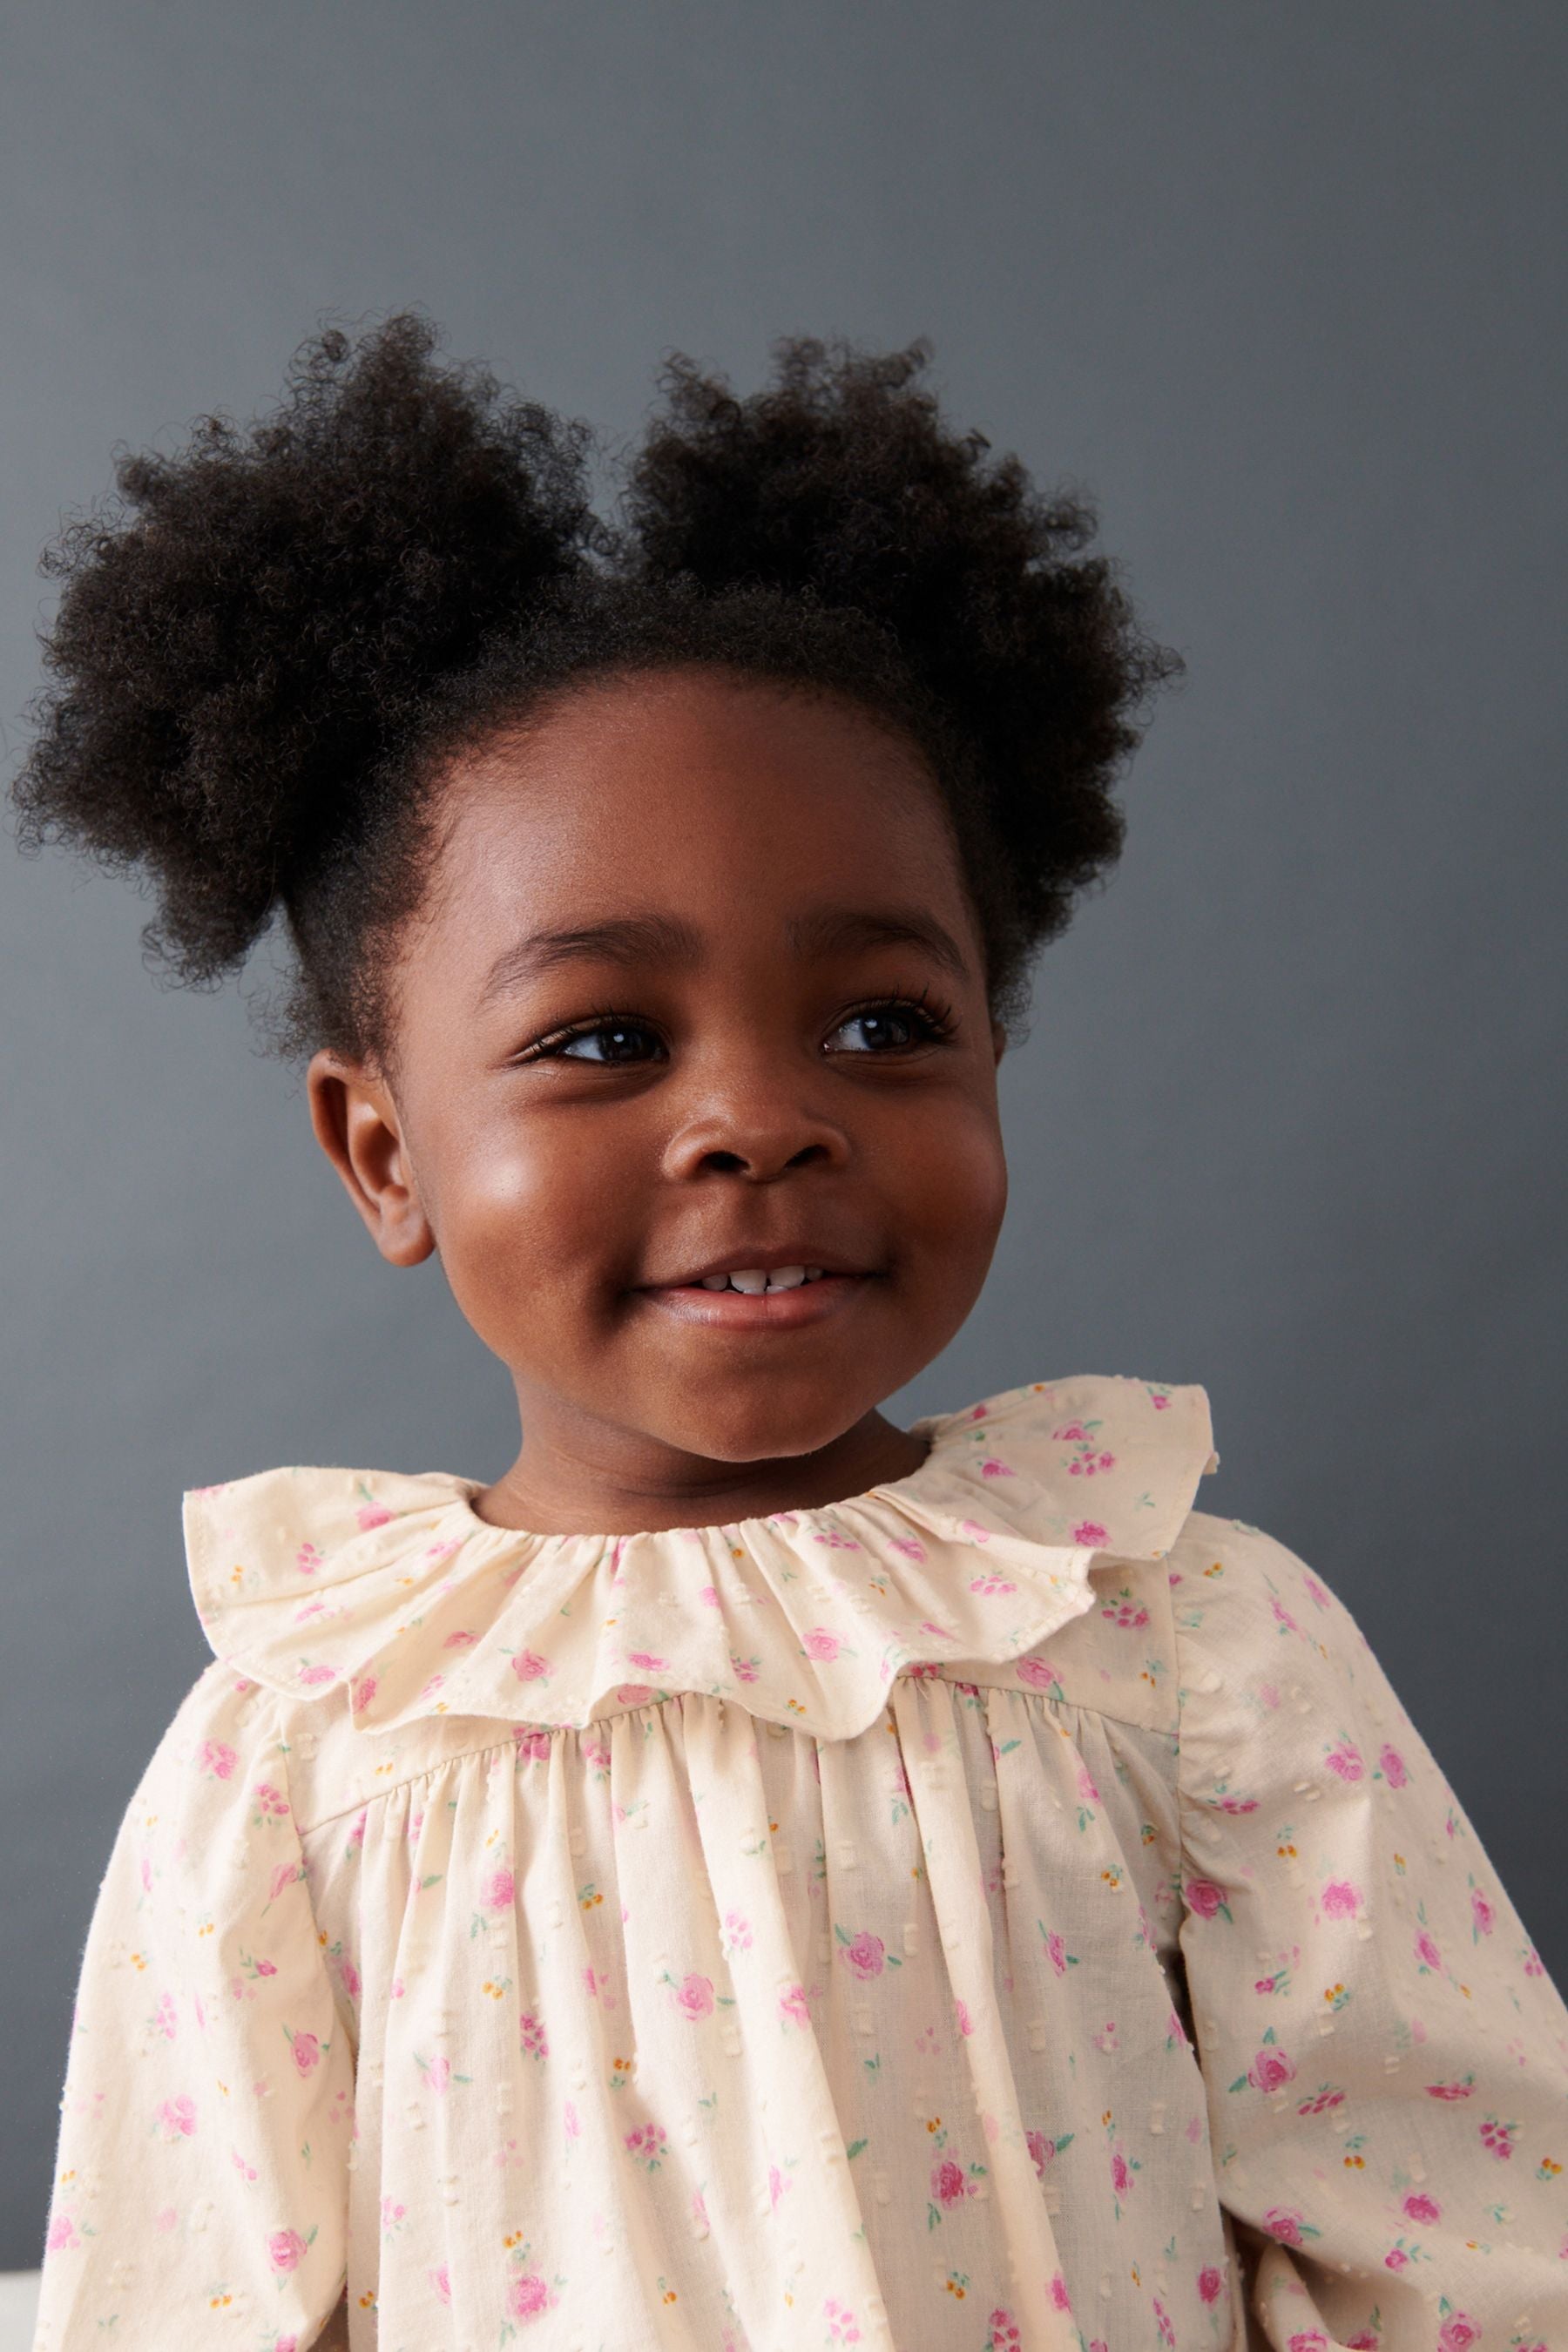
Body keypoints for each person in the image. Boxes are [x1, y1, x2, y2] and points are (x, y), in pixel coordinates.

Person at [16, 314, 1565, 2352]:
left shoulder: (1191, 1654)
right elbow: (184, 2305)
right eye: (602, 1040)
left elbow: (1462, 2244)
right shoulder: (300, 1759)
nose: (761, 1112)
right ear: (380, 1151)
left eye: (880, 1023)